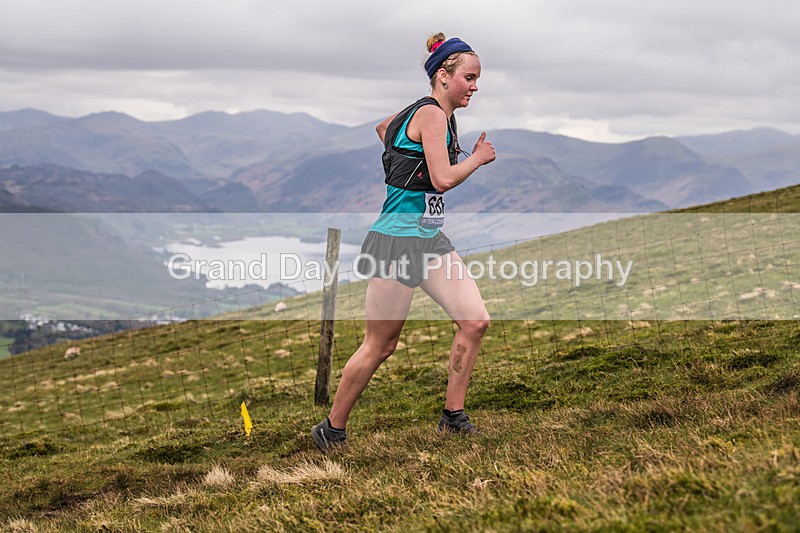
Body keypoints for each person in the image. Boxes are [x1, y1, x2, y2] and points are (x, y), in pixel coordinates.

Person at [312, 33, 496, 452]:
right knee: (381, 345)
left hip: (429, 239)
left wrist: (404, 159)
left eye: (477, 79)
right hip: (395, 241)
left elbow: (385, 129)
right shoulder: (432, 116)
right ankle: (331, 429)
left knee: (475, 321)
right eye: (468, 77)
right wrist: (477, 158)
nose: (475, 86)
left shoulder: (435, 115)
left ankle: (453, 417)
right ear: (444, 76)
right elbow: (443, 179)